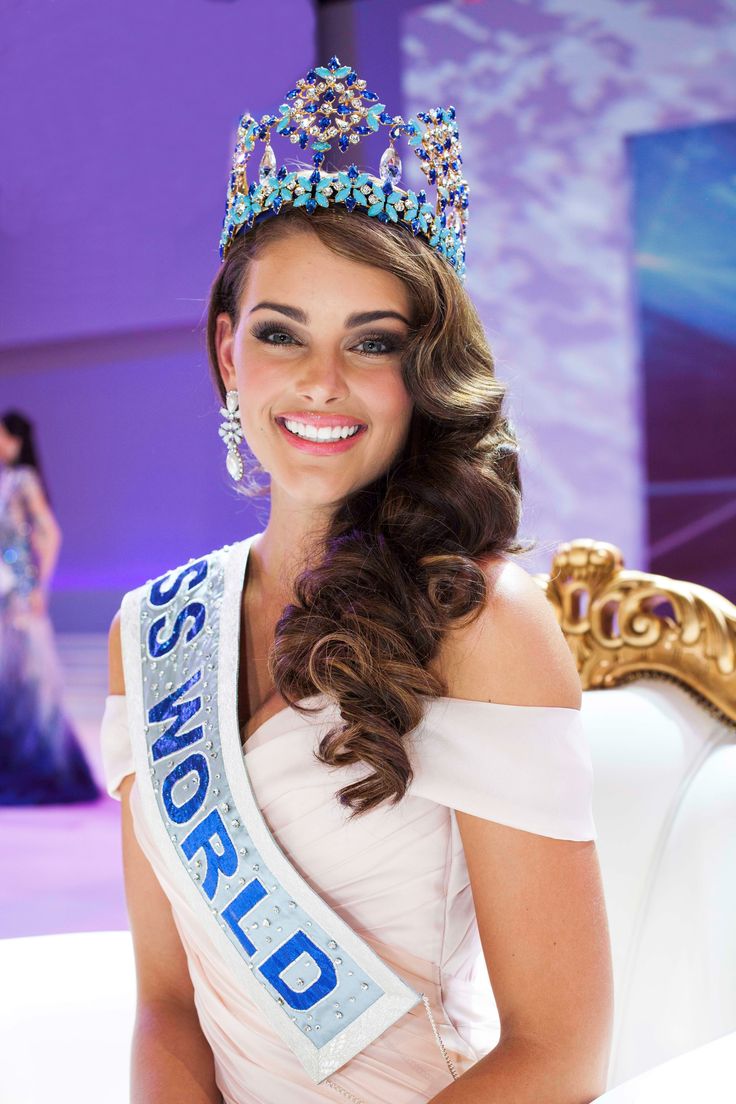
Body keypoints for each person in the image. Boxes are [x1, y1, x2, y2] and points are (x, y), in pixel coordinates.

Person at [100, 57, 613, 1104]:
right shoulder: (148, 629)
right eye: (280, 333)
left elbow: (560, 1051)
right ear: (226, 354)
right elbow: (166, 1002)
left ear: (423, 374)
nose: (320, 382)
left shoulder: (474, 622)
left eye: (370, 343)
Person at [0, 410, 99, 804]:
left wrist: (40, 585)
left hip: (20, 594)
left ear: (15, 441)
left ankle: (42, 768)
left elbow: (49, 533)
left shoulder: (22, 481)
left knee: (32, 685)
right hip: (5, 591)